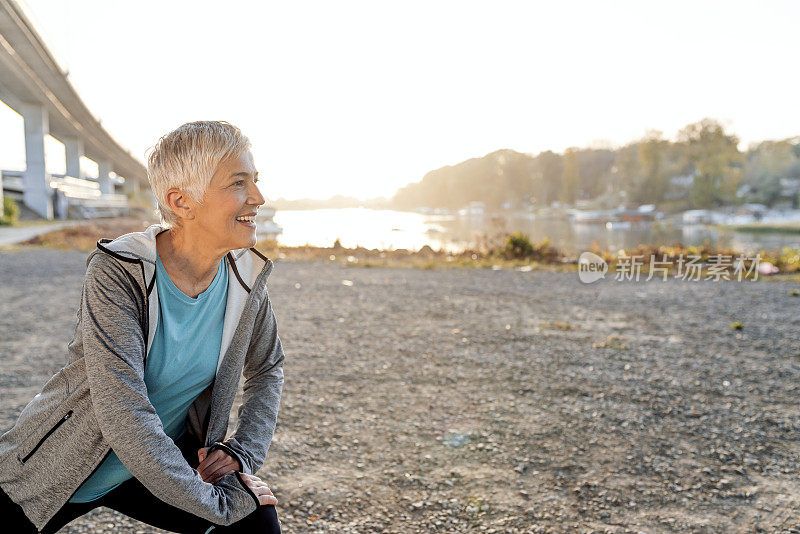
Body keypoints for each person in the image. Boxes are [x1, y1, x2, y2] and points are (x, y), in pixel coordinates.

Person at [0, 121, 285, 533]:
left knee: (255, 521)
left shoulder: (244, 280)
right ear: (181, 201)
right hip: (58, 468)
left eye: (255, 181)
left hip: (161, 468)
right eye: (239, 183)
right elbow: (123, 411)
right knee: (233, 509)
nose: (258, 198)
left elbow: (267, 367)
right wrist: (214, 503)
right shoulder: (120, 272)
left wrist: (242, 453)